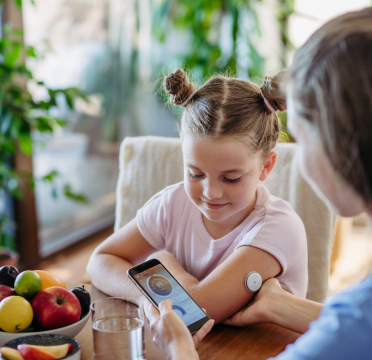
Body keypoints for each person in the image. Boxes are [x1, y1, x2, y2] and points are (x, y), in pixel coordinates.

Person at [144, 8, 372, 360]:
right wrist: (290, 307)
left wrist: (177, 345)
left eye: (302, 139)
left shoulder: (369, 324)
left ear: (345, 151)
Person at [87, 69, 308, 322]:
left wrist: (163, 263)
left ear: (266, 166)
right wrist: (147, 295)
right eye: (195, 174)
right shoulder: (172, 204)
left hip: (261, 357)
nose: (210, 192)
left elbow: (200, 309)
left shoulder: (278, 228)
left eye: (231, 178)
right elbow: (100, 261)